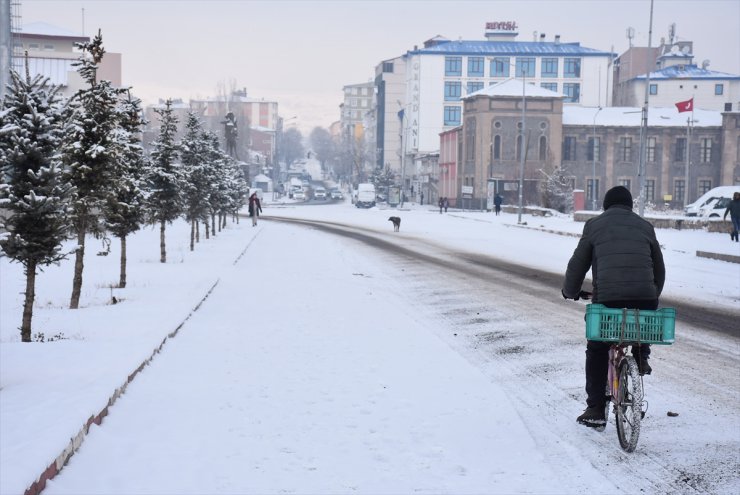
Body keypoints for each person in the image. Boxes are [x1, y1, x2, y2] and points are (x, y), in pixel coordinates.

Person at [561, 185, 665, 429]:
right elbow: (659, 270)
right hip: (645, 298)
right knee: (640, 319)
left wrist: (570, 291)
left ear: (605, 206)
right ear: (629, 205)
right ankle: (641, 354)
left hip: (608, 298)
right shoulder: (645, 227)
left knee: (597, 348)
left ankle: (596, 408)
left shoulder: (594, 225)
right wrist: (651, 296)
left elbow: (577, 265)